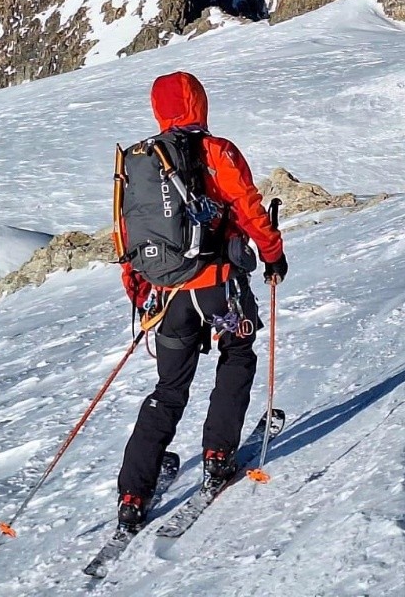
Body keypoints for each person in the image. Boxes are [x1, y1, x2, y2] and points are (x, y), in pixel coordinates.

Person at [115, 71, 287, 530]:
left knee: (169, 390)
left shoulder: (142, 163)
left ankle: (133, 493)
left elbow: (129, 235)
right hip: (219, 288)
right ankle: (217, 454)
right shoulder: (217, 152)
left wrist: (139, 289)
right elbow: (249, 208)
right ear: (200, 103)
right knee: (236, 352)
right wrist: (273, 255)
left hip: (169, 296)